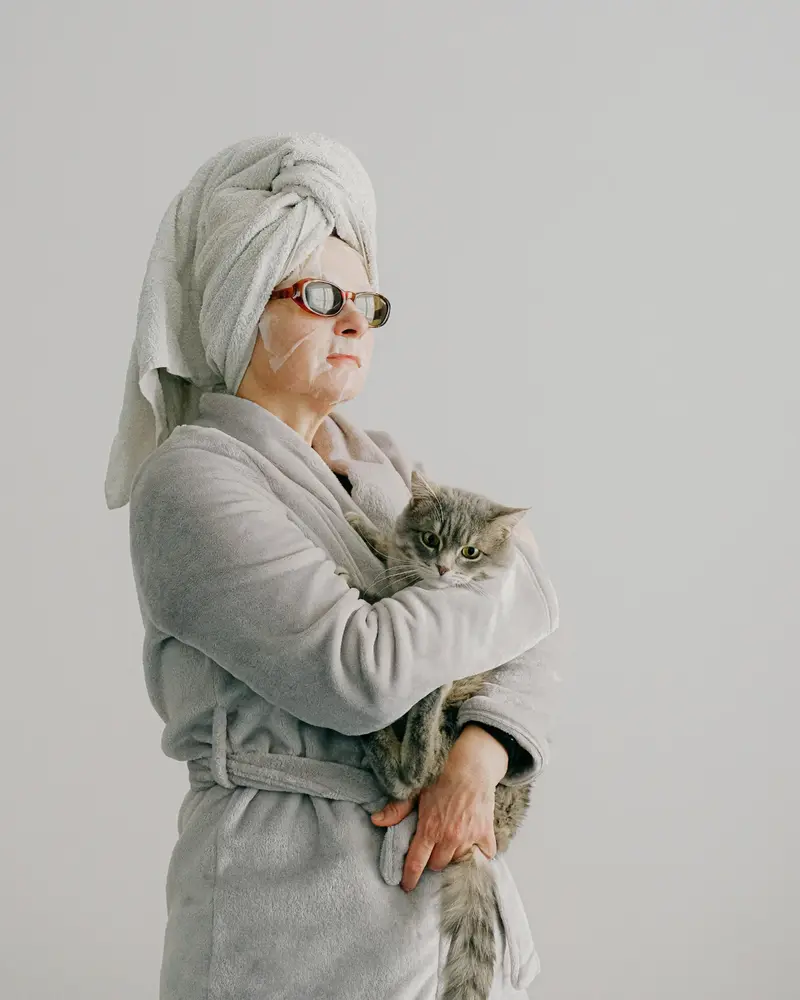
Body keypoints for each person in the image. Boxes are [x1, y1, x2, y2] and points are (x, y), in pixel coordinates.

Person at [105, 132, 560, 1000]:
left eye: (366, 302)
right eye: (319, 295)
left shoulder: (380, 463)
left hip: (444, 932)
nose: (355, 320)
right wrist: (521, 581)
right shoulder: (193, 479)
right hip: (292, 925)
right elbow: (358, 668)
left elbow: (525, 654)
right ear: (243, 304)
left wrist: (481, 752)